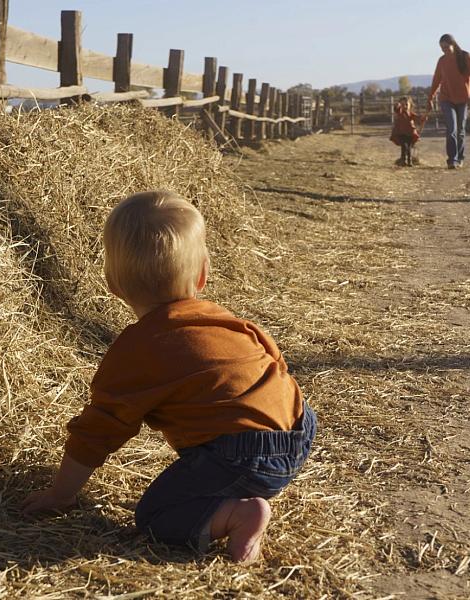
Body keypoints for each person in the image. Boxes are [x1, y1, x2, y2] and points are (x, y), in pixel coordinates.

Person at [21, 190, 316, 564]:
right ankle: (239, 493)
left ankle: (238, 514)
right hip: (299, 431)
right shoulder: (227, 321)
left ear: (112, 283)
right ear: (204, 274)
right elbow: (275, 362)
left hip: (242, 458)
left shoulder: (138, 350)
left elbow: (98, 432)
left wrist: (59, 495)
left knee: (155, 516)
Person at [427, 33, 470, 169]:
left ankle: (460, 157)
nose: (444, 50)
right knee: (451, 129)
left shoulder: (466, 57)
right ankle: (452, 160)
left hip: (463, 99)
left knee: (460, 129)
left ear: (453, 44)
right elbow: (436, 80)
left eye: (446, 47)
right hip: (446, 98)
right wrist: (430, 97)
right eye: (441, 48)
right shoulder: (442, 61)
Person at [390, 96, 426, 167]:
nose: (405, 106)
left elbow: (417, 118)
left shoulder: (411, 114)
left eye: (406, 104)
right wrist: (397, 106)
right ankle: (404, 160)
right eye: (403, 105)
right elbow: (396, 109)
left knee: (409, 147)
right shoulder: (400, 112)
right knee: (404, 146)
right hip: (401, 133)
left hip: (409, 133)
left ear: (410, 105)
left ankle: (409, 161)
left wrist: (423, 118)